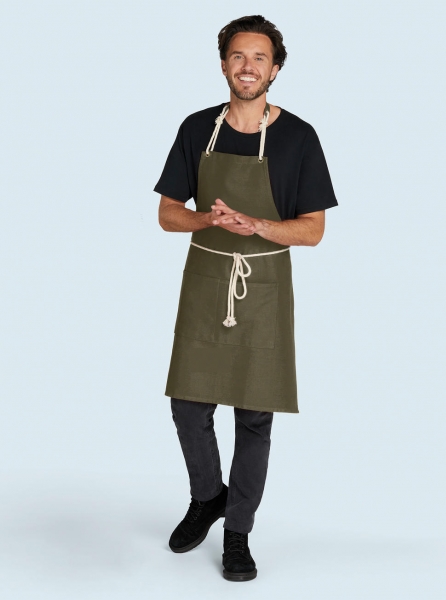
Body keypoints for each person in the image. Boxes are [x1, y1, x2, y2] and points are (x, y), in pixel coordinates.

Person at [154, 15, 338, 582]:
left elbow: (313, 229)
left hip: (263, 288)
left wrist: (256, 224)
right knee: (188, 405)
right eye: (238, 56)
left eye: (259, 58)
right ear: (223, 65)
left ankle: (237, 531)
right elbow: (167, 214)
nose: (248, 66)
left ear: (275, 69)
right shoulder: (196, 129)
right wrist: (207, 219)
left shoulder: (299, 137)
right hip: (206, 279)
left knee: (254, 415)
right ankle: (208, 496)